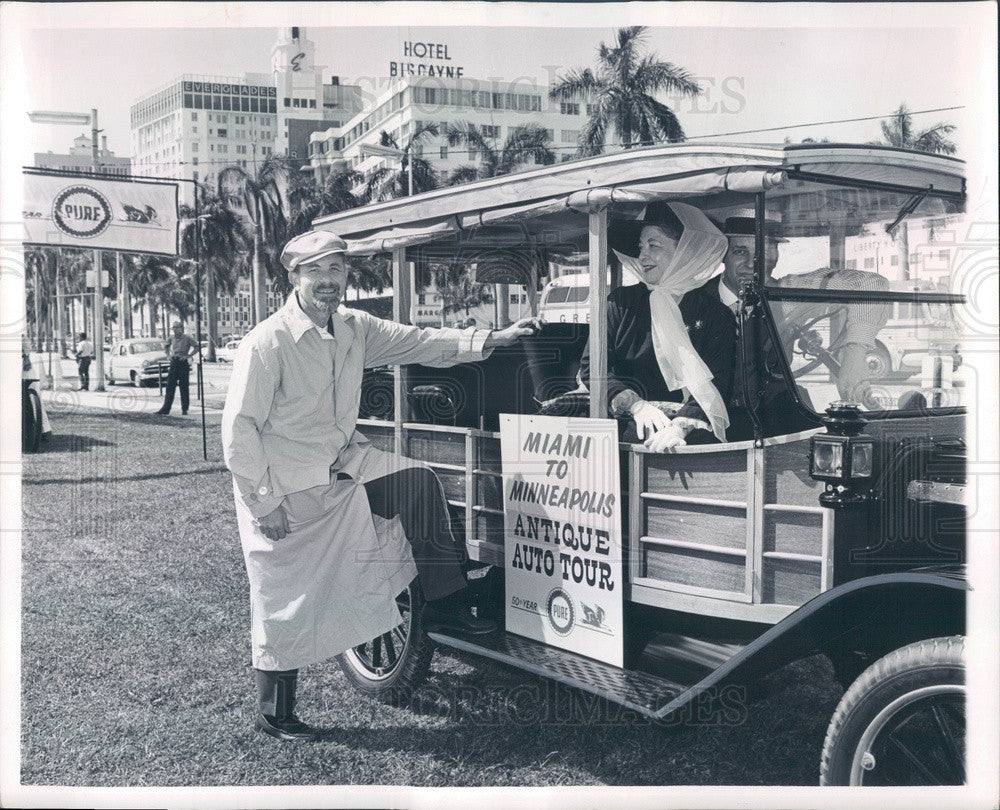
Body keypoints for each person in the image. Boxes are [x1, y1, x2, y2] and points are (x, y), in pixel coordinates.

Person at [222, 230, 539, 741]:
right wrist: (264, 503)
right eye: (315, 271)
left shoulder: (355, 327)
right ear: (294, 277)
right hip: (283, 486)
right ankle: (276, 713)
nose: (328, 282)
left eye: (337, 270)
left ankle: (447, 605)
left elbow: (420, 341)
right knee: (285, 596)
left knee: (417, 483)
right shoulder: (268, 341)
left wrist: (491, 339)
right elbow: (238, 430)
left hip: (344, 464)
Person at [703, 215, 890, 438]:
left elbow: (869, 284)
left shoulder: (786, 294)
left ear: (775, 256)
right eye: (740, 252)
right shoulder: (694, 301)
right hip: (708, 418)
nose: (752, 264)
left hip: (774, 415)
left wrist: (855, 353)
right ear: (723, 255)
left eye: (762, 253)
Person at [580, 201, 736, 451]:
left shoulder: (715, 314)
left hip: (688, 432)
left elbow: (718, 381)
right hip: (626, 429)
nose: (643, 255)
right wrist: (635, 405)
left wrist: (679, 427)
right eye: (642, 247)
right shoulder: (621, 303)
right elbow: (592, 368)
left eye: (654, 246)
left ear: (683, 251)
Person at [156, 322, 198, 415]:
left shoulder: (187, 338)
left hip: (183, 363)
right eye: (173, 327)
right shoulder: (171, 338)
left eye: (176, 327)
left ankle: (184, 408)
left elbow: (196, 346)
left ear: (181, 328)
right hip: (174, 362)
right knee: (170, 386)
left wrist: (188, 356)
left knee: (184, 386)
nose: (174, 329)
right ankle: (166, 408)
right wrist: (168, 355)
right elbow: (166, 347)